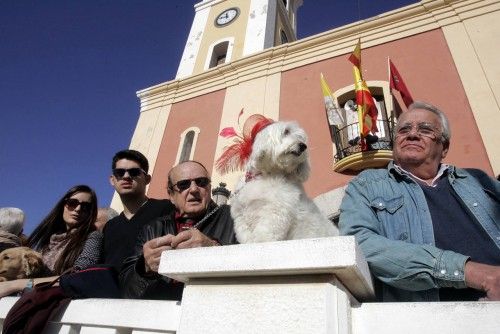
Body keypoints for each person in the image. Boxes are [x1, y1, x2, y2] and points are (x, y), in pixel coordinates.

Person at [339, 101, 500, 302]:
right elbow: (358, 243)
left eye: (425, 129)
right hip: (431, 318)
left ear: (444, 147)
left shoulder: (477, 180)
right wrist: (474, 274)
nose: (412, 134)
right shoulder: (367, 184)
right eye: (404, 129)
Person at [120, 160, 237, 300]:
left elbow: (257, 262)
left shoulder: (235, 217)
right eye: (183, 184)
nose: (194, 189)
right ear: (171, 195)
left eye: (201, 182)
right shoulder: (153, 228)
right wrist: (144, 267)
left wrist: (214, 249)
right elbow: (126, 291)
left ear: (209, 187)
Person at [0, 185, 101, 296]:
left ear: (91, 212)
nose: (78, 209)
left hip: (60, 304)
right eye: (72, 203)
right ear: (63, 205)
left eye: (86, 206)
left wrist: (16, 285)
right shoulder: (48, 240)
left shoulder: (93, 237)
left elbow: (78, 277)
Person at [102, 149, 174, 271]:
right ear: (112, 180)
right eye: (119, 172)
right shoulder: (110, 226)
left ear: (147, 179)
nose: (126, 176)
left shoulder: (166, 208)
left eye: (134, 172)